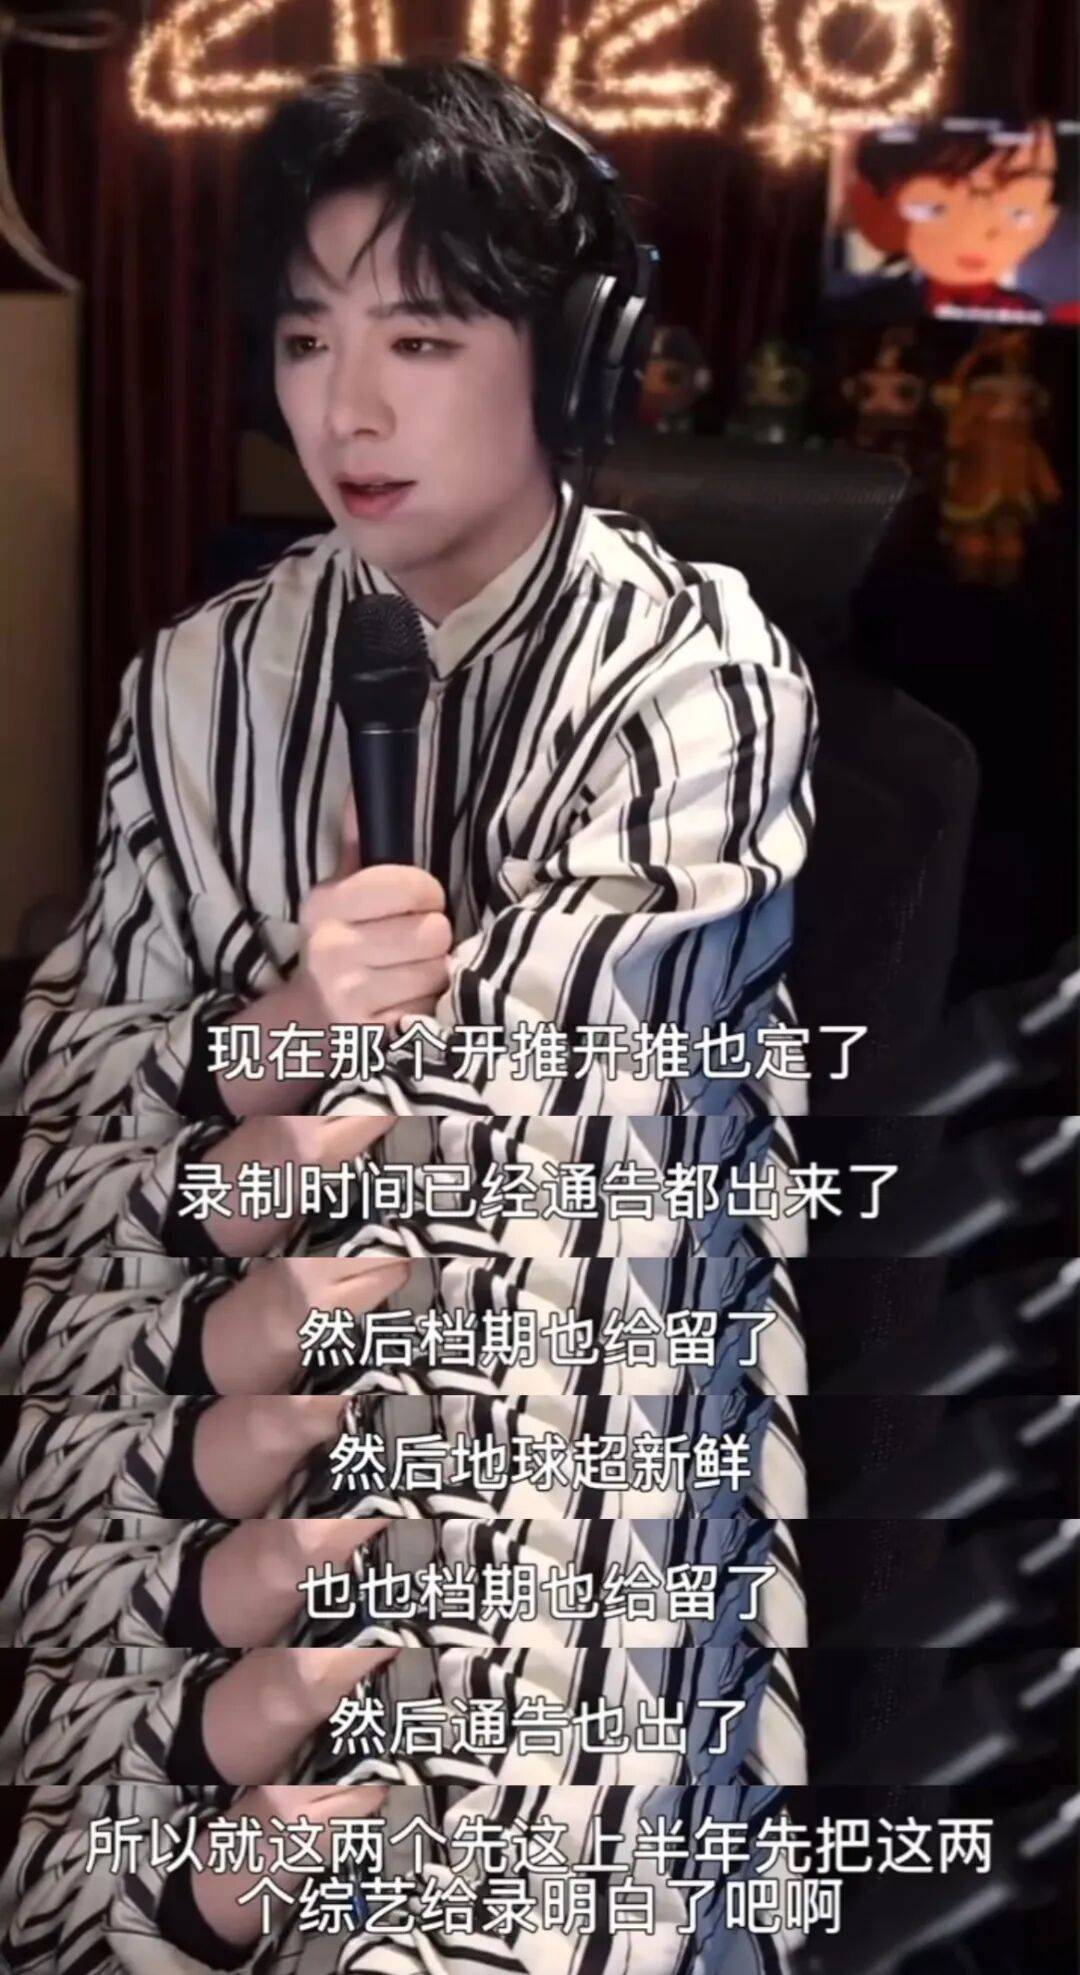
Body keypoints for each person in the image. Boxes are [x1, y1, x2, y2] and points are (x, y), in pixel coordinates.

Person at [0, 54, 817, 1975]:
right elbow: (73, 1135)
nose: (344, 410)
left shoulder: (695, 676)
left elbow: (539, 1162)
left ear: (577, 364)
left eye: (422, 340)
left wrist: (226, 1115)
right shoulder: (201, 678)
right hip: (211, 1514)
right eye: (307, 338)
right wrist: (272, 1034)